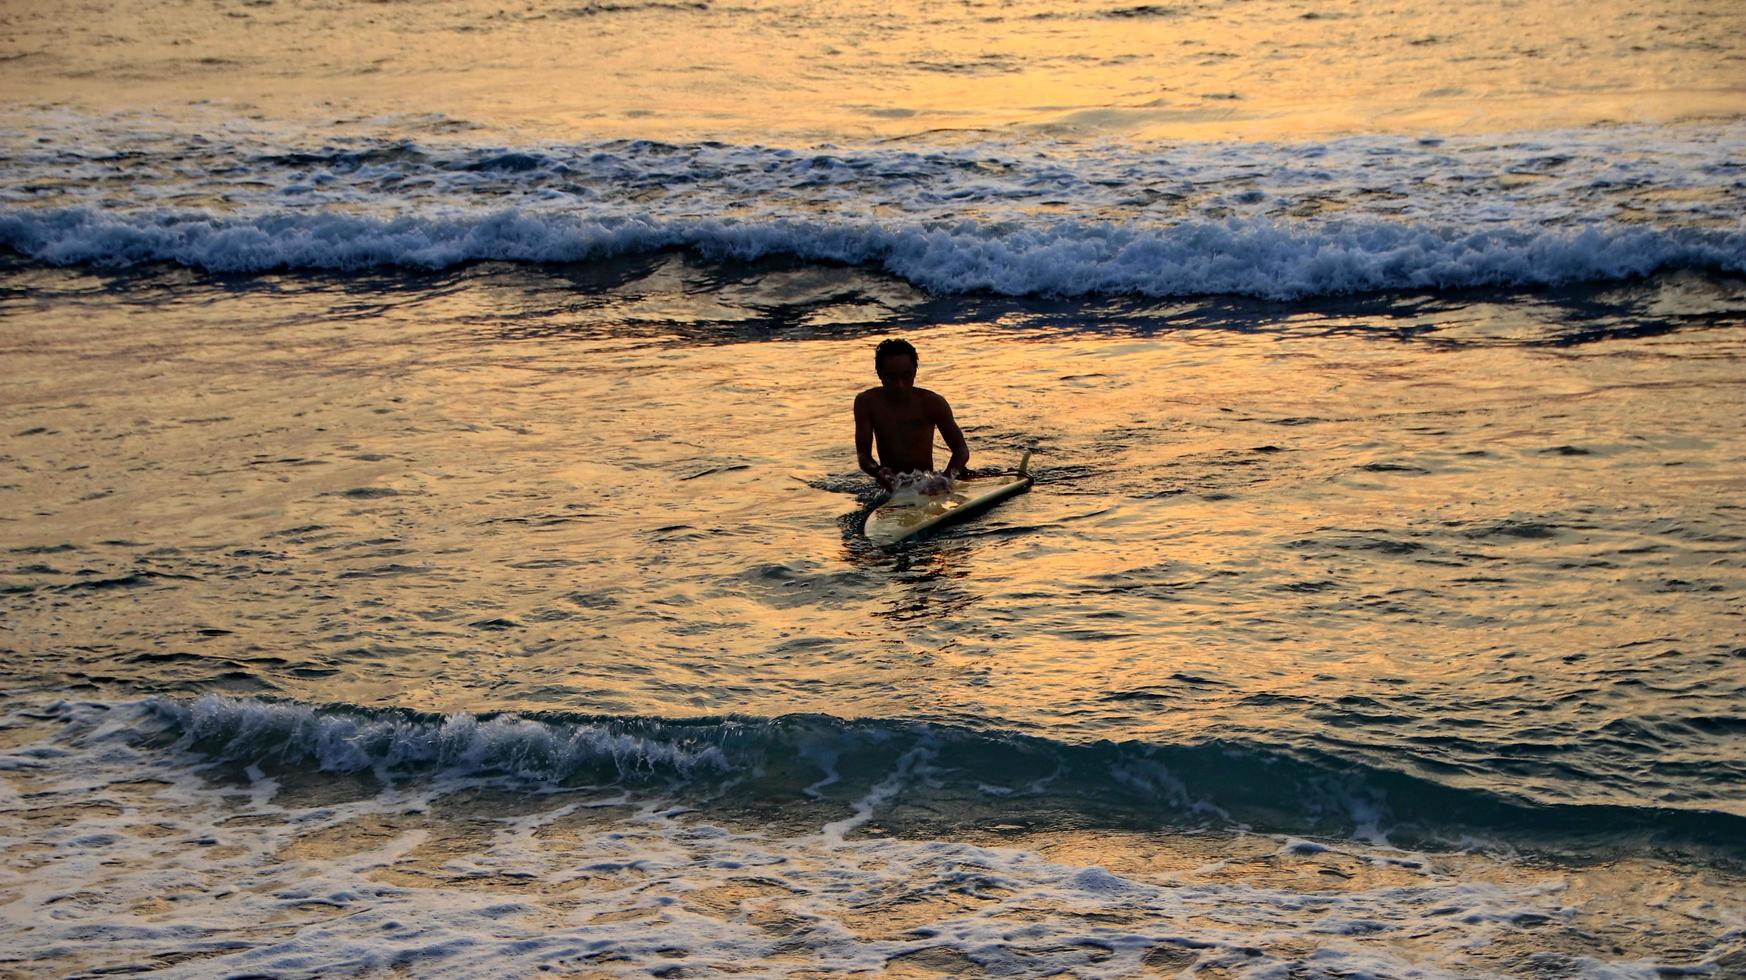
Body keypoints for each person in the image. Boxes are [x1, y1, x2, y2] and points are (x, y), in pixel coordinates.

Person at [854, 338, 969, 492]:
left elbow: (961, 450)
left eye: (906, 376)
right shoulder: (867, 403)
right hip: (890, 485)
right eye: (891, 378)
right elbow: (863, 456)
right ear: (879, 374)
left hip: (925, 483)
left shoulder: (933, 403)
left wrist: (946, 478)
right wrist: (876, 471)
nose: (900, 385)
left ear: (915, 371)